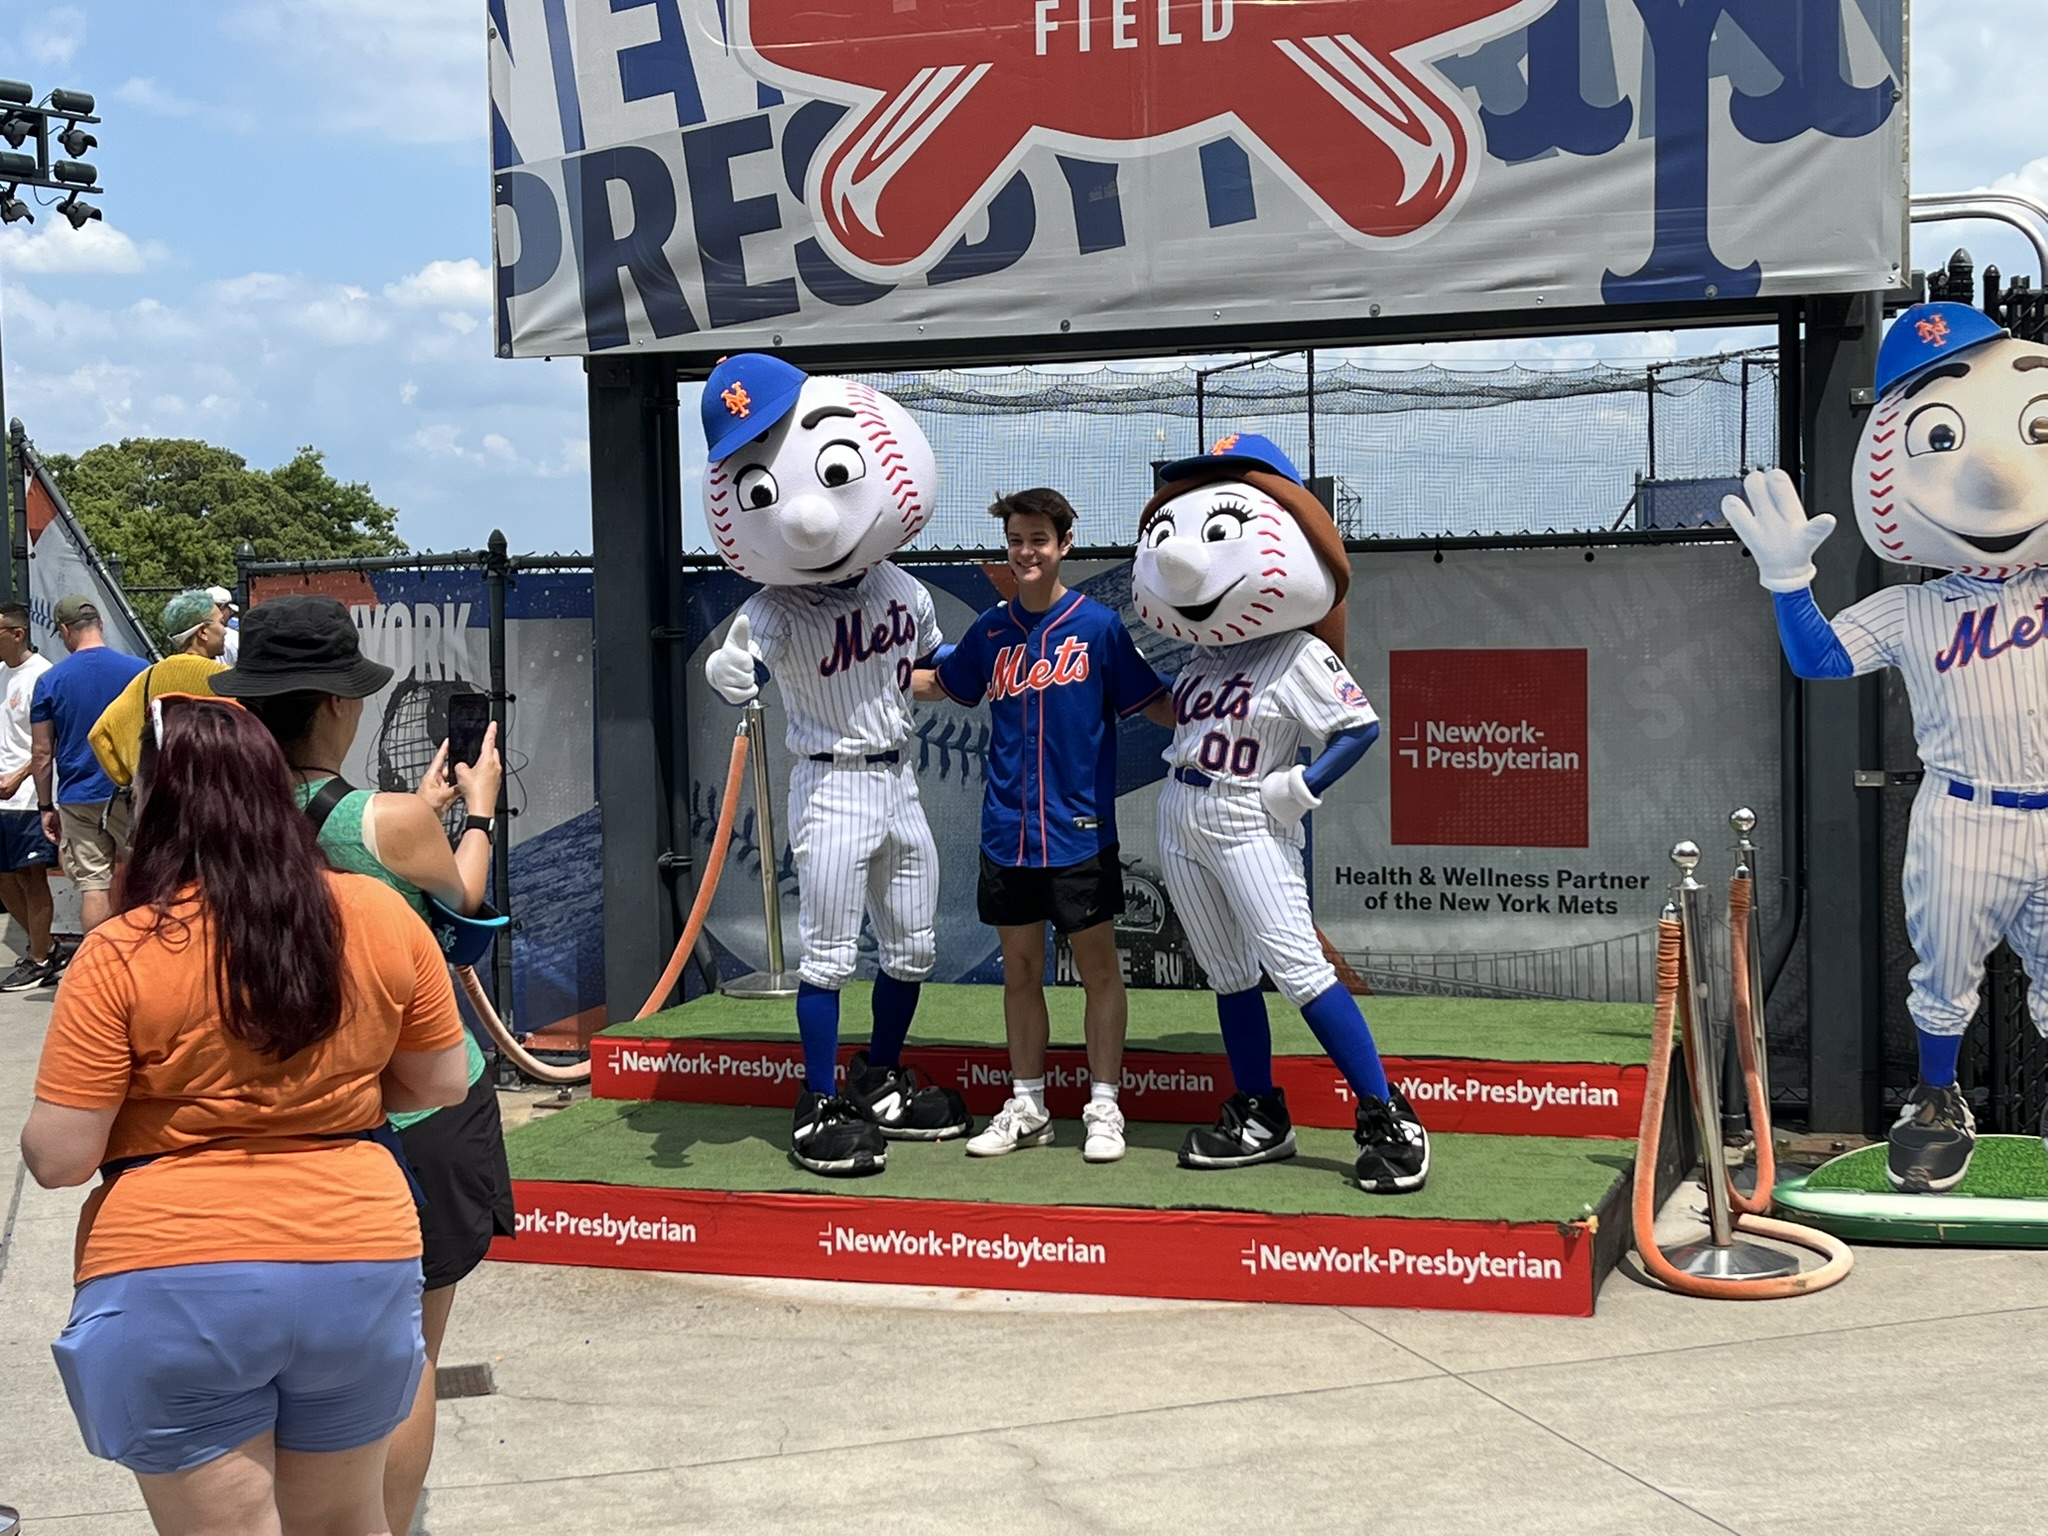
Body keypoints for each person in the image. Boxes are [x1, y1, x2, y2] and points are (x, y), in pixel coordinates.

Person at [21, 692, 471, 1535]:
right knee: (346, 1523)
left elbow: (59, 1158)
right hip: (357, 1252)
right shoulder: (376, 914)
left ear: (153, 806)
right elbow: (442, 1080)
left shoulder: (121, 951)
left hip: (171, 1266)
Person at [219, 593, 511, 1536]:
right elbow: (463, 904)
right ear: (341, 705)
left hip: (287, 1115)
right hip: (416, 1110)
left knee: (297, 1362)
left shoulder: (223, 823)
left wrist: (418, 811)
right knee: (409, 1351)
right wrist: (475, 811)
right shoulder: (387, 822)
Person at [1130, 434, 1427, 1193]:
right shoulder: (1205, 655)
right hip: (1181, 810)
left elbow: (1358, 728)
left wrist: (1303, 786)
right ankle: (1260, 1112)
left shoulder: (1297, 651)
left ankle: (1386, 1113)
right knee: (1229, 975)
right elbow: (1179, 717)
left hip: (1248, 816)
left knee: (1298, 968)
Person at [698, 354, 970, 1175]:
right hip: (830, 782)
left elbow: (931, 668)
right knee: (827, 957)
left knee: (913, 946)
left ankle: (877, 1073)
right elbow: (738, 659)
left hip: (899, 779)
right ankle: (817, 1100)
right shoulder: (771, 607)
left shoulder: (905, 590)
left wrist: (977, 665)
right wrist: (728, 669)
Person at [914, 489, 1173, 1163]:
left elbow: (1157, 703)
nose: (1026, 552)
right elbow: (941, 683)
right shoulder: (990, 632)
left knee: (1098, 970)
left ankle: (1104, 1107)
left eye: (1038, 540)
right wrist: (864, 673)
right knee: (1021, 971)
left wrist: (1226, 705)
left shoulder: (1099, 627)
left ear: (1064, 546)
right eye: (1016, 541)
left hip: (1079, 831)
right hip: (1008, 832)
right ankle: (1028, 1106)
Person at [30, 596, 147, 934]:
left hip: (79, 796)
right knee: (144, 878)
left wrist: (45, 807)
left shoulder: (50, 681)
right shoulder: (140, 670)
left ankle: (97, 962)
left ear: (65, 630)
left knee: (93, 886)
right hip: (129, 792)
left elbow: (41, 753)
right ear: (101, 624)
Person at [87, 590, 231, 796]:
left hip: (157, 798)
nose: (225, 631)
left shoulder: (146, 678)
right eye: (221, 623)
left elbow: (98, 734)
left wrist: (129, 776)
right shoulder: (225, 680)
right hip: (211, 795)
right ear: (202, 632)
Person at [0, 602, 60, 989]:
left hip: (27, 797)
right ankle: (46, 946)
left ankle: (38, 959)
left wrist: (20, 776)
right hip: (2, 799)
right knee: (5, 879)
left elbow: (48, 742)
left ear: (17, 633)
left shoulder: (42, 675)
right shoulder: (1, 674)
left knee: (31, 876)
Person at [207, 586, 241, 665]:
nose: (231, 612)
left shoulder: (194, 636)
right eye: (228, 608)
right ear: (222, 608)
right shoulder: (234, 637)